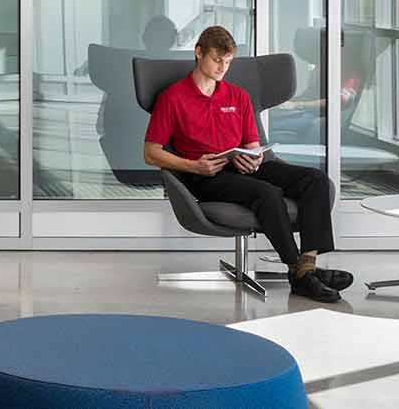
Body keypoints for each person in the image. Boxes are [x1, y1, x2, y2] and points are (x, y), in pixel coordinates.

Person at [144, 26, 350, 303]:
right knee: (267, 194)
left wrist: (253, 159)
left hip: (241, 165)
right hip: (206, 174)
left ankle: (307, 266)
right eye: (217, 60)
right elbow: (150, 152)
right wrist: (193, 166)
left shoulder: (238, 96)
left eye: (227, 62)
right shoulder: (173, 98)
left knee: (317, 180)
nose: (222, 68)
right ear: (199, 53)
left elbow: (253, 145)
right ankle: (297, 272)